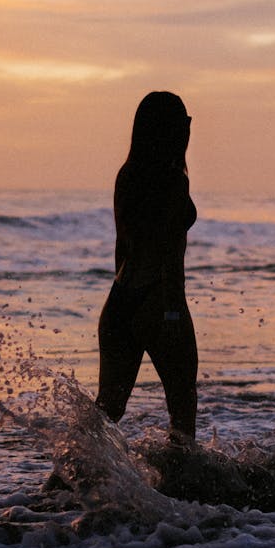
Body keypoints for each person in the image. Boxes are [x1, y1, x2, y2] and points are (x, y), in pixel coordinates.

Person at [95, 91, 198, 443]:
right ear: (170, 130)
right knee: (182, 408)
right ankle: (180, 489)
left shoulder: (127, 175)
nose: (189, 127)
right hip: (158, 299)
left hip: (120, 300)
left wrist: (124, 304)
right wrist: (171, 314)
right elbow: (171, 252)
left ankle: (62, 485)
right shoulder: (173, 180)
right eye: (184, 121)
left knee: (107, 411)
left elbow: (122, 246)